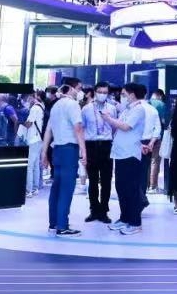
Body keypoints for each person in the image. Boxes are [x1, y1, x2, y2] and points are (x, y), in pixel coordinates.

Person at [101, 82, 147, 235]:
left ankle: (135, 222)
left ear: (132, 95)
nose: (122, 97)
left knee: (131, 189)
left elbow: (126, 126)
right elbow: (120, 125)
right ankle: (125, 218)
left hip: (130, 154)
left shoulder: (139, 109)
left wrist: (108, 119)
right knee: (121, 187)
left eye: (124, 94)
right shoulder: (128, 109)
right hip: (120, 153)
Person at [42, 84, 87, 237]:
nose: (79, 91)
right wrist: (83, 150)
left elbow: (48, 130)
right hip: (69, 149)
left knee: (57, 187)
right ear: (70, 89)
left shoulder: (55, 106)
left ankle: (54, 223)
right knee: (66, 189)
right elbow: (78, 128)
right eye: (78, 88)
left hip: (57, 149)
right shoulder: (72, 104)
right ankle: (62, 226)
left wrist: (44, 152)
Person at [82, 81, 117, 223]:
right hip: (91, 145)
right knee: (93, 180)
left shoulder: (112, 108)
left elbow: (114, 127)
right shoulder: (86, 109)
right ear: (95, 92)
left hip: (106, 145)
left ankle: (104, 211)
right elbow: (82, 128)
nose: (102, 94)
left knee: (106, 180)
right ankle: (93, 210)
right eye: (100, 92)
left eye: (105, 92)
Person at [139, 91, 162, 209]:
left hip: (134, 143)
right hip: (148, 142)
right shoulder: (153, 109)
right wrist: (152, 142)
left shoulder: (131, 109)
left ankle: (137, 199)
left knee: (133, 173)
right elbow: (158, 128)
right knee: (145, 170)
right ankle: (142, 197)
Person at [21, 93, 46, 198]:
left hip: (33, 139)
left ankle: (29, 190)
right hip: (39, 139)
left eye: (27, 98)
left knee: (30, 166)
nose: (26, 101)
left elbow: (29, 123)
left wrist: (21, 123)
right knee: (35, 165)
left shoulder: (34, 108)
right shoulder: (41, 106)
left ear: (31, 97)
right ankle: (35, 188)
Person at [148, 89, 168, 193]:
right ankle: (153, 186)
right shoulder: (161, 105)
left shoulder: (145, 104)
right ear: (160, 96)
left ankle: (145, 185)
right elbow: (164, 121)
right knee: (155, 161)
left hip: (144, 137)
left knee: (146, 162)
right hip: (157, 136)